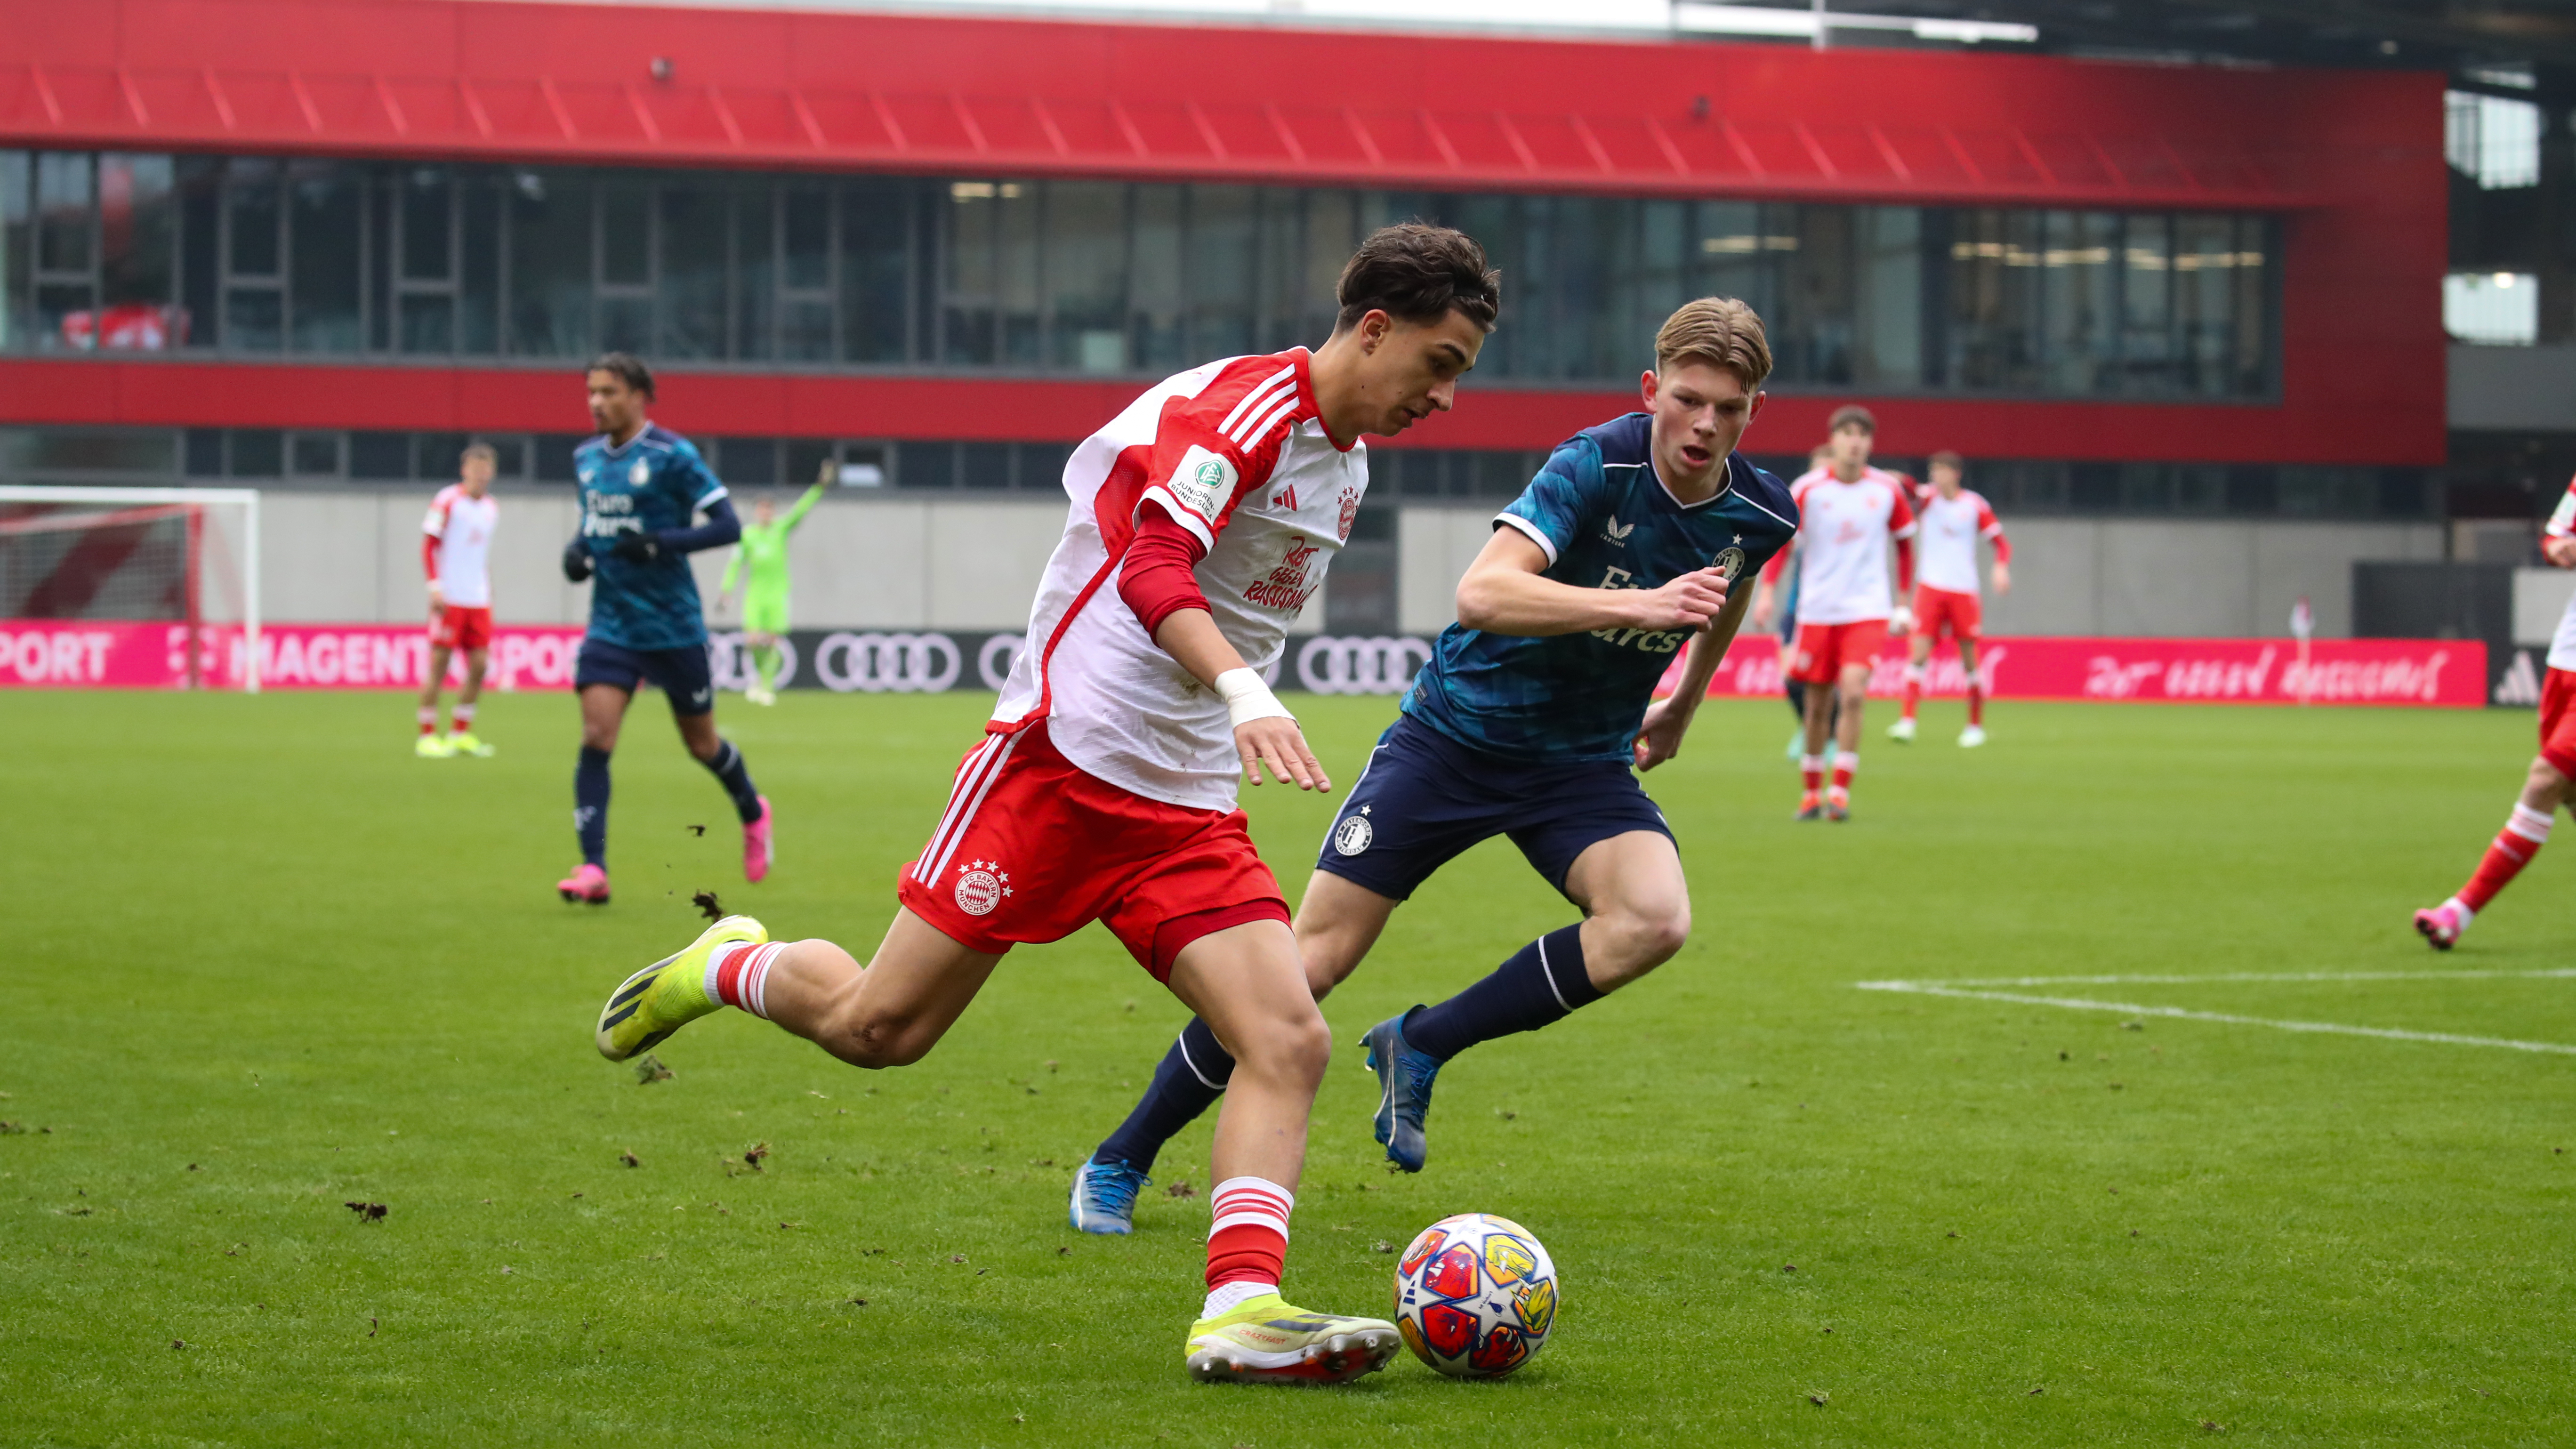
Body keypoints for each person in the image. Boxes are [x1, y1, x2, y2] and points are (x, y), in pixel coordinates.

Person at [589, 225, 1501, 1385]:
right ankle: (726, 964)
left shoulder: (1349, 458)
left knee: (1285, 1035)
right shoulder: (1239, 413)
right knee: (882, 1030)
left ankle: (1239, 1307)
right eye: (1438, 359)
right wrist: (1241, 690)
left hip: (1183, 802)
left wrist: (1221, 713)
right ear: (1372, 327)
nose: (1448, 393)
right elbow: (1153, 566)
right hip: (1060, 762)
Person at [1067, 296, 1795, 1224]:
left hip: (1579, 764)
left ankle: (1420, 1043)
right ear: (1652, 391)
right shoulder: (1595, 466)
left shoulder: (1764, 511)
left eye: (1727, 410)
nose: (1704, 425)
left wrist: (1685, 702)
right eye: (1688, 400)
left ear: (1754, 413)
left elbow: (1729, 585)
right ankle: (1122, 1156)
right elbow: (1482, 593)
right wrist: (1637, 605)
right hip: (1452, 742)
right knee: (1304, 969)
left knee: (1652, 921)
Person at [554, 354, 772, 905]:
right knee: (595, 738)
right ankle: (593, 868)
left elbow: (728, 525)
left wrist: (661, 543)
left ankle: (752, 809)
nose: (596, 402)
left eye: (608, 392)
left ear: (637, 396)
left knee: (702, 746)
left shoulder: (673, 456)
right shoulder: (585, 459)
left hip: (673, 627)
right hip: (612, 625)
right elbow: (594, 525)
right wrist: (579, 551)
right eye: (591, 392)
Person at [2415, 473, 2576, 948]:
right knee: (2567, 795)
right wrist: (2563, 550)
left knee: (2545, 778)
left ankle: (2458, 911)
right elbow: (2555, 539)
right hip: (2565, 663)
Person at [1750, 405, 1915, 821]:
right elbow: (1784, 544)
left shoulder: (1886, 491)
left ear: (1870, 443)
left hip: (1867, 609)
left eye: (1863, 434)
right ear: (1834, 440)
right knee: (1817, 704)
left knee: (1854, 691)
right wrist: (1768, 591)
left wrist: (1903, 600)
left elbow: (1906, 543)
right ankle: (1810, 795)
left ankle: (1839, 793)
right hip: (1817, 611)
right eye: (1847, 433)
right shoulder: (1807, 489)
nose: (1855, 441)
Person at [1889, 450, 2009, 748]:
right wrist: (1885, 475)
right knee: (1918, 654)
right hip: (1930, 588)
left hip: (1964, 590)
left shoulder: (1974, 505)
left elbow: (2001, 544)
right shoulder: (1928, 499)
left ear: (1955, 474)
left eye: (1942, 471)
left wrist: (2000, 568)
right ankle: (1907, 722)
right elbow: (1908, 487)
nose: (1936, 477)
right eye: (1933, 471)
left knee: (1970, 661)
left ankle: (1975, 726)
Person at [417, 443, 499, 758]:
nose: (480, 475)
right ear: (465, 471)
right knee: (440, 664)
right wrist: (435, 587)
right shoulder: (447, 501)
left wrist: (489, 590)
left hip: (478, 599)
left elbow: (480, 556)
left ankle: (460, 733)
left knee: (480, 665)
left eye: (485, 469)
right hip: (450, 596)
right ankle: (426, 736)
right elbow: (429, 546)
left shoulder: (492, 508)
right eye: (475, 469)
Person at [722, 464, 829, 705]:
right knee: (751, 641)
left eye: (769, 509)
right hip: (755, 595)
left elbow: (801, 510)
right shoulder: (747, 535)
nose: (765, 513)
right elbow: (736, 564)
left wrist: (818, 488)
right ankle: (759, 680)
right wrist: (727, 590)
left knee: (772, 642)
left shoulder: (780, 530)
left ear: (772, 512)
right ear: (756, 512)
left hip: (777, 594)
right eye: (761, 509)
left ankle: (767, 687)